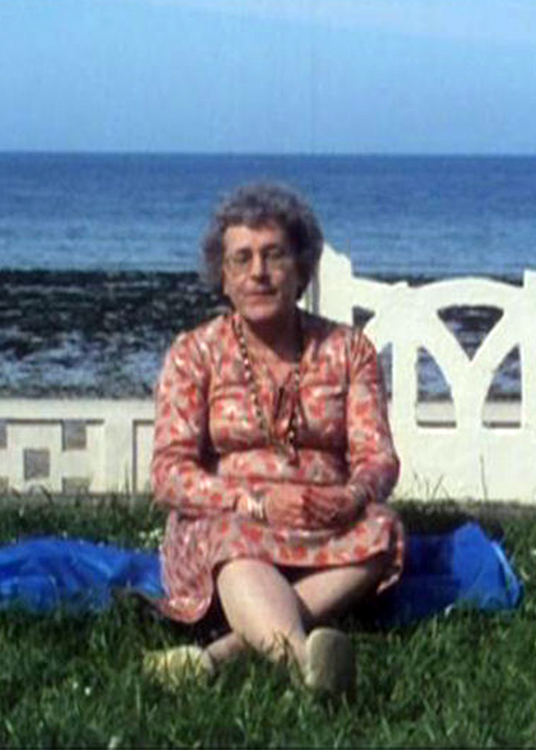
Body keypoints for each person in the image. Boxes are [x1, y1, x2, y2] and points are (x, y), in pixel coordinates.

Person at [145, 183, 405, 698]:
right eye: (241, 259)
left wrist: (352, 496)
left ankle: (217, 657)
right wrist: (254, 502)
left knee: (383, 530)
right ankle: (303, 664)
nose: (258, 273)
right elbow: (168, 474)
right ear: (223, 275)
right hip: (233, 516)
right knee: (233, 543)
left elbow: (378, 457)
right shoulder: (195, 352)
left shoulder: (349, 350)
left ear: (302, 269)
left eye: (274, 256)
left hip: (323, 515)